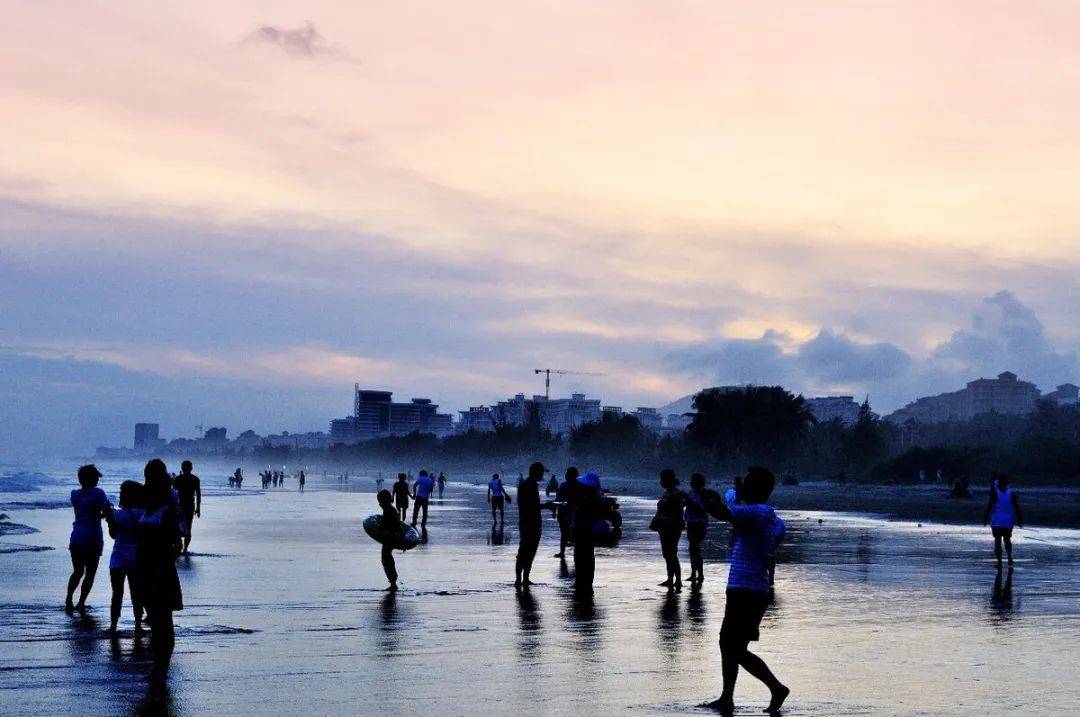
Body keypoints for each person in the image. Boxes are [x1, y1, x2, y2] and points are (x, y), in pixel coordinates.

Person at [703, 467, 789, 715]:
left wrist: (709, 500)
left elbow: (721, 512)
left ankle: (775, 687)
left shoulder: (757, 513)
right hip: (749, 587)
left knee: (732, 646)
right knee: (729, 643)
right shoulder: (770, 517)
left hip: (747, 589)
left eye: (748, 484)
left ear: (756, 488)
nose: (743, 487)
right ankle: (727, 697)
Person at [137, 459, 184, 685]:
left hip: (159, 571)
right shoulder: (152, 509)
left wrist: (160, 560)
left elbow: (176, 545)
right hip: (148, 569)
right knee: (157, 622)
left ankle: (161, 668)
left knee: (163, 622)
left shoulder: (167, 512)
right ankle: (158, 666)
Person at [65, 464, 114, 613]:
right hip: (93, 537)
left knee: (77, 571)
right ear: (94, 479)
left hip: (77, 536)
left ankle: (68, 598)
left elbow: (85, 511)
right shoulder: (98, 493)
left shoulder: (75, 494)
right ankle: (81, 602)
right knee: (90, 573)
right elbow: (105, 509)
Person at [108, 480, 144, 633]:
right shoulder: (143, 513)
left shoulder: (117, 514)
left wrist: (110, 519)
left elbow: (113, 534)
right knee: (137, 594)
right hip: (136, 557)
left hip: (118, 557)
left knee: (117, 594)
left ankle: (113, 625)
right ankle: (137, 625)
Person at [515, 462, 553, 587]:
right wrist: (547, 505)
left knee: (525, 550)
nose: (542, 475)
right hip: (531, 522)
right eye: (541, 472)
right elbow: (531, 506)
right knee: (528, 551)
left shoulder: (524, 484)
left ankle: (522, 579)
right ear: (536, 472)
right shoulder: (530, 485)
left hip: (526, 521)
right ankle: (522, 579)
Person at [652, 469, 686, 590]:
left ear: (667, 480)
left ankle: (677, 580)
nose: (660, 482)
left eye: (662, 479)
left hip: (671, 528)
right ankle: (671, 579)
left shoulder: (674, 493)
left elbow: (675, 509)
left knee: (671, 553)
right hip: (668, 527)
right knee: (668, 554)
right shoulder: (671, 492)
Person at [684, 472, 720, 585]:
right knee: (693, 548)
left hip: (699, 523)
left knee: (694, 548)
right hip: (691, 522)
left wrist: (688, 500)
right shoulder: (691, 493)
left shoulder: (705, 495)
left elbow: (701, 507)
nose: (691, 484)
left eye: (693, 482)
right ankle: (696, 574)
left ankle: (698, 574)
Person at [572, 471, 603, 594]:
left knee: (582, 558)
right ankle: (586, 583)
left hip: (584, 532)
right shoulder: (594, 498)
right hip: (587, 533)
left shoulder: (588, 500)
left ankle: (582, 583)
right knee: (587, 557)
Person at [984, 473, 1023, 566]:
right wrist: (1019, 519)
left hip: (997, 521)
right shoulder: (1012, 494)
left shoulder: (995, 494)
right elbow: (1017, 508)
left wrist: (985, 518)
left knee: (997, 541)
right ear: (1007, 483)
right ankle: (1009, 557)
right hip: (1008, 521)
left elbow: (989, 507)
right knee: (1007, 540)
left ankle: (999, 561)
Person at [376, 489, 405, 591]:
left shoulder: (390, 510)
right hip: (388, 537)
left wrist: (403, 539)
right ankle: (393, 582)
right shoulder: (388, 509)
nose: (379, 503)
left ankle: (393, 583)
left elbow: (397, 525)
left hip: (390, 537)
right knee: (386, 558)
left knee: (386, 558)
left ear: (385, 500)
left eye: (380, 501)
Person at [173, 460, 201, 555]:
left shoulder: (177, 478)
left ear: (182, 468)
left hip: (178, 505)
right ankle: (185, 549)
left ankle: (179, 546)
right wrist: (198, 508)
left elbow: (173, 492)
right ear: (191, 468)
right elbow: (198, 494)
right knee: (188, 527)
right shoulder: (195, 479)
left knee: (177, 526)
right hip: (190, 505)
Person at [554, 467, 580, 558]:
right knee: (575, 532)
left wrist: (554, 509)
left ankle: (562, 552)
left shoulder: (564, 485)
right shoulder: (579, 486)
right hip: (574, 511)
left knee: (564, 532)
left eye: (566, 474)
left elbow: (558, 499)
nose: (565, 475)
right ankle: (576, 552)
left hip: (563, 511)